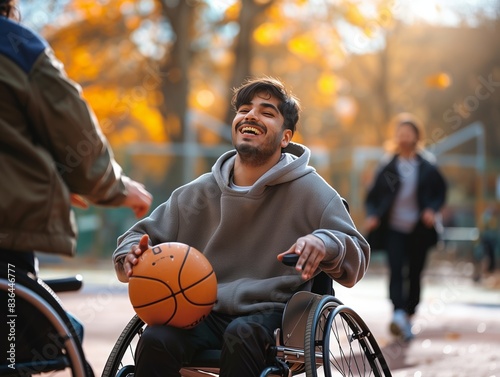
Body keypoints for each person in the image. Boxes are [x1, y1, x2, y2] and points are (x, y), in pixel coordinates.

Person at [113, 76, 370, 377]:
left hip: (275, 317)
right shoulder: (198, 193)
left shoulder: (312, 191)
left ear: (286, 137)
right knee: (157, 338)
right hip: (201, 311)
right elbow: (136, 236)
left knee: (242, 333)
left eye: (267, 111)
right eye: (244, 109)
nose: (250, 115)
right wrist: (131, 253)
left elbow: (357, 253)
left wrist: (325, 243)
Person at [0, 0, 153, 370]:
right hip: (6, 239)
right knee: (36, 341)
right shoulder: (16, 46)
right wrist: (115, 187)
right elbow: (80, 148)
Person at [364, 112, 447, 342]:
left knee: (415, 273)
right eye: (400, 133)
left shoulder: (427, 166)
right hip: (394, 229)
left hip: (419, 230)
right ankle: (398, 313)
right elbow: (372, 196)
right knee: (396, 270)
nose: (403, 137)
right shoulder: (388, 167)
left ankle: (409, 315)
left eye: (408, 133)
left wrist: (432, 209)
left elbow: (440, 192)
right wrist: (373, 215)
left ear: (416, 137)